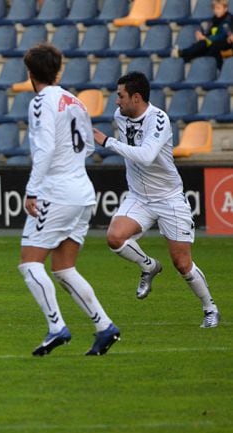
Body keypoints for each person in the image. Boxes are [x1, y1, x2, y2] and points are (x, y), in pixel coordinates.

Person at [92, 71, 220, 329]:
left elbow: (147, 155)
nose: (116, 102)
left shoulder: (159, 119)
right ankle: (148, 266)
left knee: (182, 264)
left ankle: (210, 308)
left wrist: (107, 142)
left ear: (136, 97)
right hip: (139, 197)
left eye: (121, 96)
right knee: (115, 237)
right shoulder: (121, 116)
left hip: (168, 198)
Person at [19, 43, 120, 357]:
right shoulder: (75, 101)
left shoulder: (40, 102)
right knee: (64, 268)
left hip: (56, 193)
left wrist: (33, 190)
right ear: (57, 70)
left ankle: (56, 327)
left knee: (29, 263)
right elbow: (89, 145)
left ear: (30, 73)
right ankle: (104, 327)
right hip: (82, 193)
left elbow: (46, 148)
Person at [174, 0, 233, 69]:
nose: (216, 11)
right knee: (203, 44)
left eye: (218, 8)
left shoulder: (228, 20)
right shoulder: (214, 19)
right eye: (214, 8)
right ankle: (184, 56)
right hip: (213, 41)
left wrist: (206, 38)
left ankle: (184, 54)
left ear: (225, 9)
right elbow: (208, 32)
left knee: (211, 47)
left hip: (225, 42)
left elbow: (222, 35)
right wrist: (201, 35)